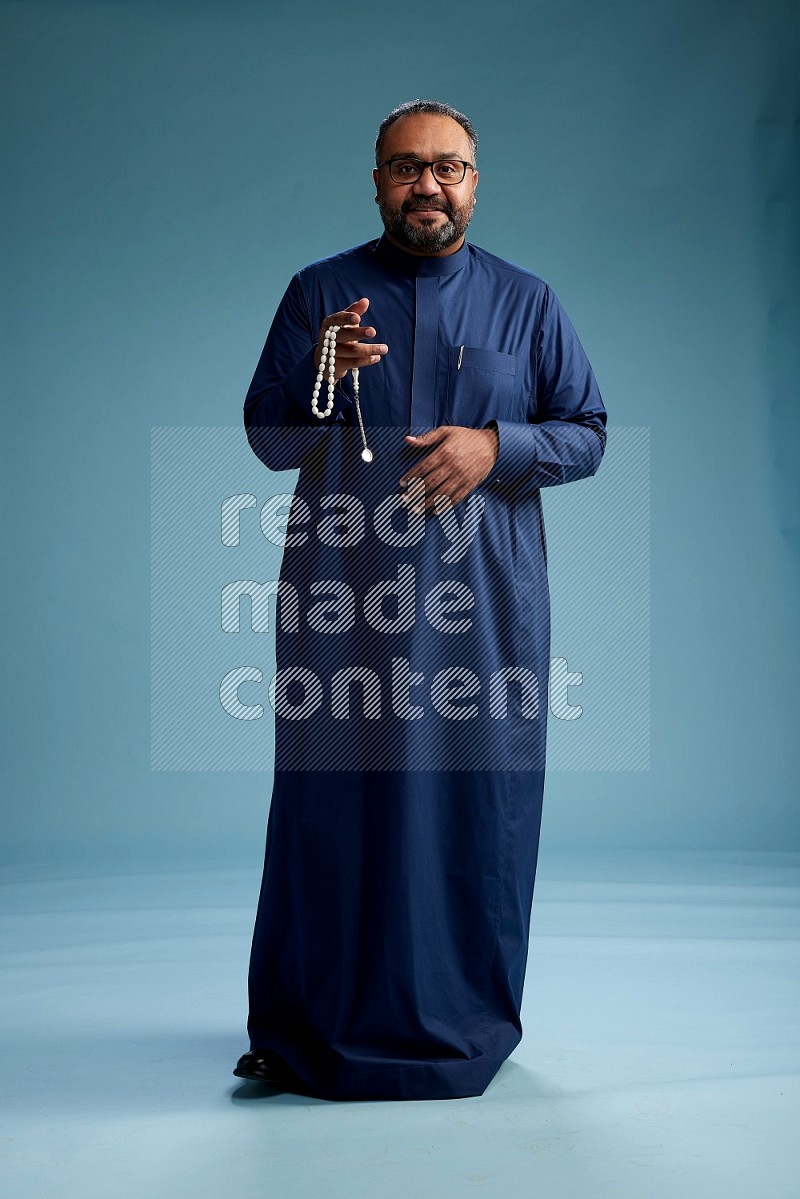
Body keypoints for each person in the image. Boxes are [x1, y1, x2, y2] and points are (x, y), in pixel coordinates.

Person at [234, 99, 607, 1101]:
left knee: (469, 807)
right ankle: (302, 1026)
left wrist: (496, 445)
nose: (426, 185)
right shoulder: (322, 293)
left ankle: (459, 1023)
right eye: (405, 168)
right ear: (375, 181)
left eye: (447, 167)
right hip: (340, 600)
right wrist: (322, 375)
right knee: (331, 803)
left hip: (481, 609)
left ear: (474, 181)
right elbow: (271, 440)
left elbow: (586, 430)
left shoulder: (526, 303)